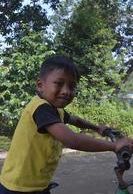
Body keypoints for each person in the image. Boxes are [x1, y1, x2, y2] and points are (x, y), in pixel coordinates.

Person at [0, 55, 133, 194]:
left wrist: (97, 128)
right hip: (18, 188)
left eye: (72, 86)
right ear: (40, 85)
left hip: (37, 185)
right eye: (59, 83)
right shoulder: (40, 108)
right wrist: (114, 146)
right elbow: (72, 140)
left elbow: (75, 120)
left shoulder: (56, 109)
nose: (66, 91)